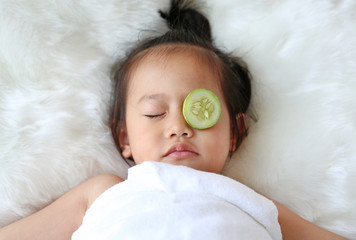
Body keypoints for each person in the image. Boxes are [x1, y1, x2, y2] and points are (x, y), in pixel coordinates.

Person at [0, 0, 347, 239]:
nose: (178, 127)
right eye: (154, 113)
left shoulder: (249, 201)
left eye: (201, 112)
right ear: (124, 138)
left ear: (234, 133)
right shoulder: (104, 193)